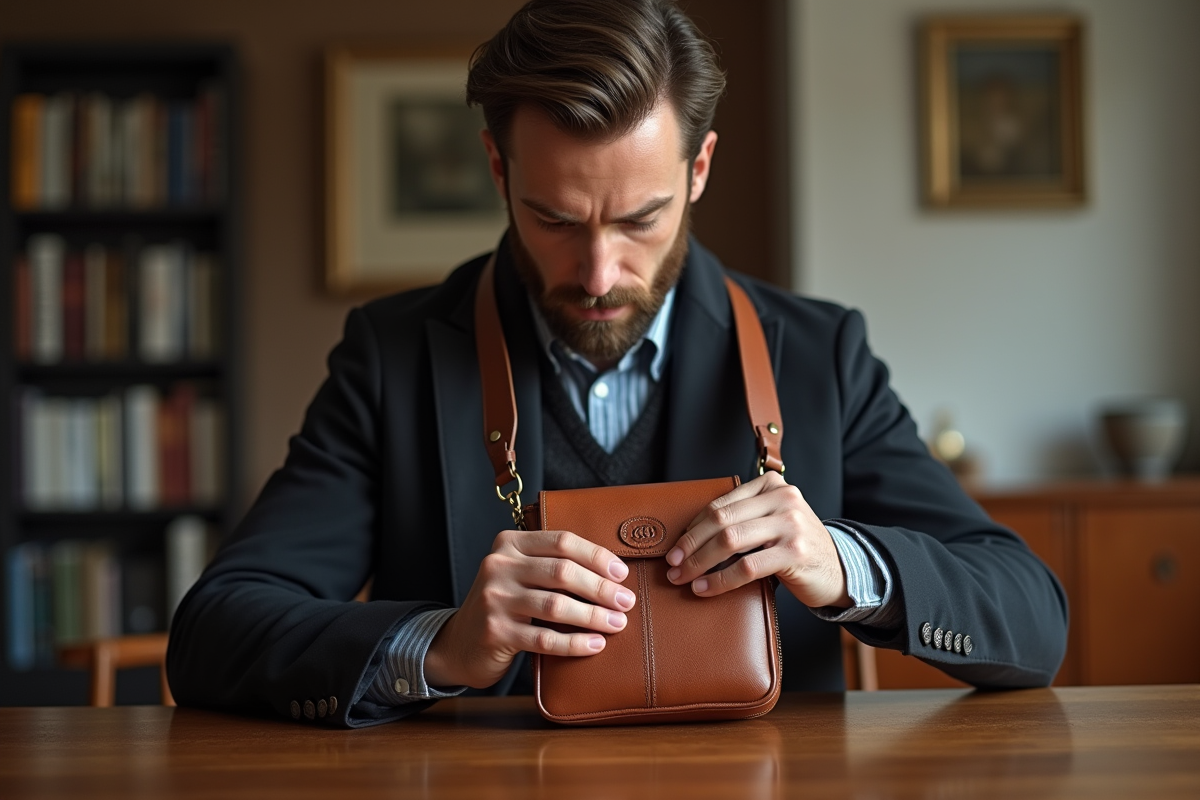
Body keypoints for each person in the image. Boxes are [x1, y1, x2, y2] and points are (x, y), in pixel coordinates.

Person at [167, 0, 1068, 727]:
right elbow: (214, 630)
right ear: (495, 168)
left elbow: (1031, 616)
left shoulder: (819, 356)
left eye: (640, 218)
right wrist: (438, 647)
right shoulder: (391, 358)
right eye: (556, 219)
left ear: (701, 169)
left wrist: (841, 563)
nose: (599, 275)